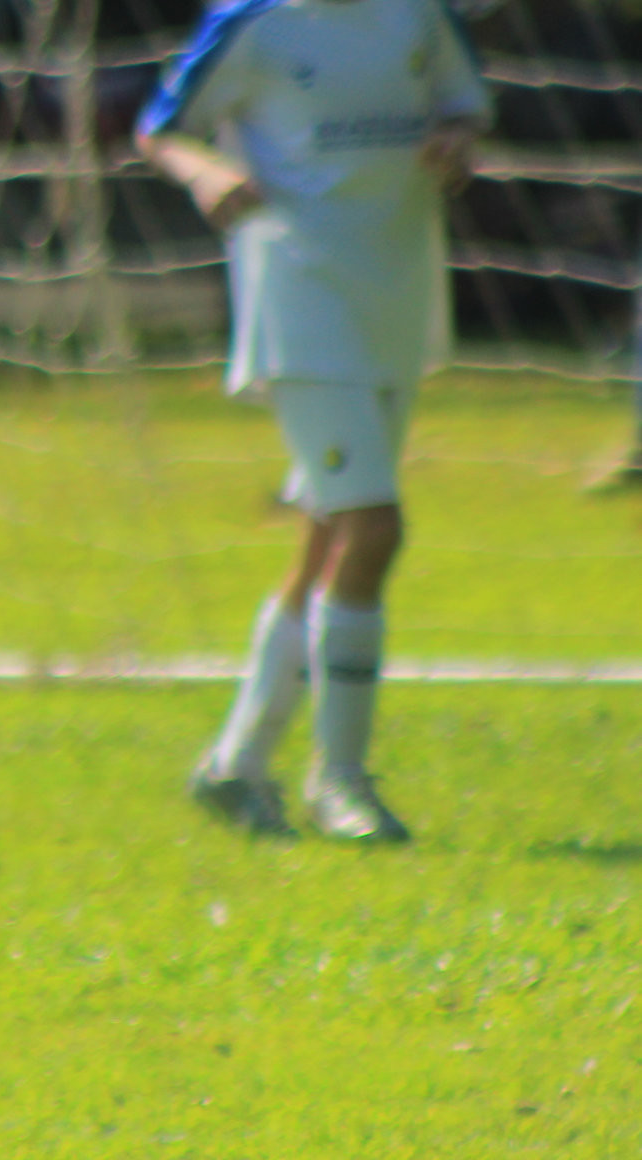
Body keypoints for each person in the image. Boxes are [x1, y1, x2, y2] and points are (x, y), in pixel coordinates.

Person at [140, 0, 488, 842]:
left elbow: (462, 102)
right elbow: (159, 126)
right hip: (300, 298)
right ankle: (341, 785)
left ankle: (236, 763)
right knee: (372, 529)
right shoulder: (254, 21)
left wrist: (454, 140)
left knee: (330, 536)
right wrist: (205, 174)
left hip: (395, 295)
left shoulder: (415, 16)